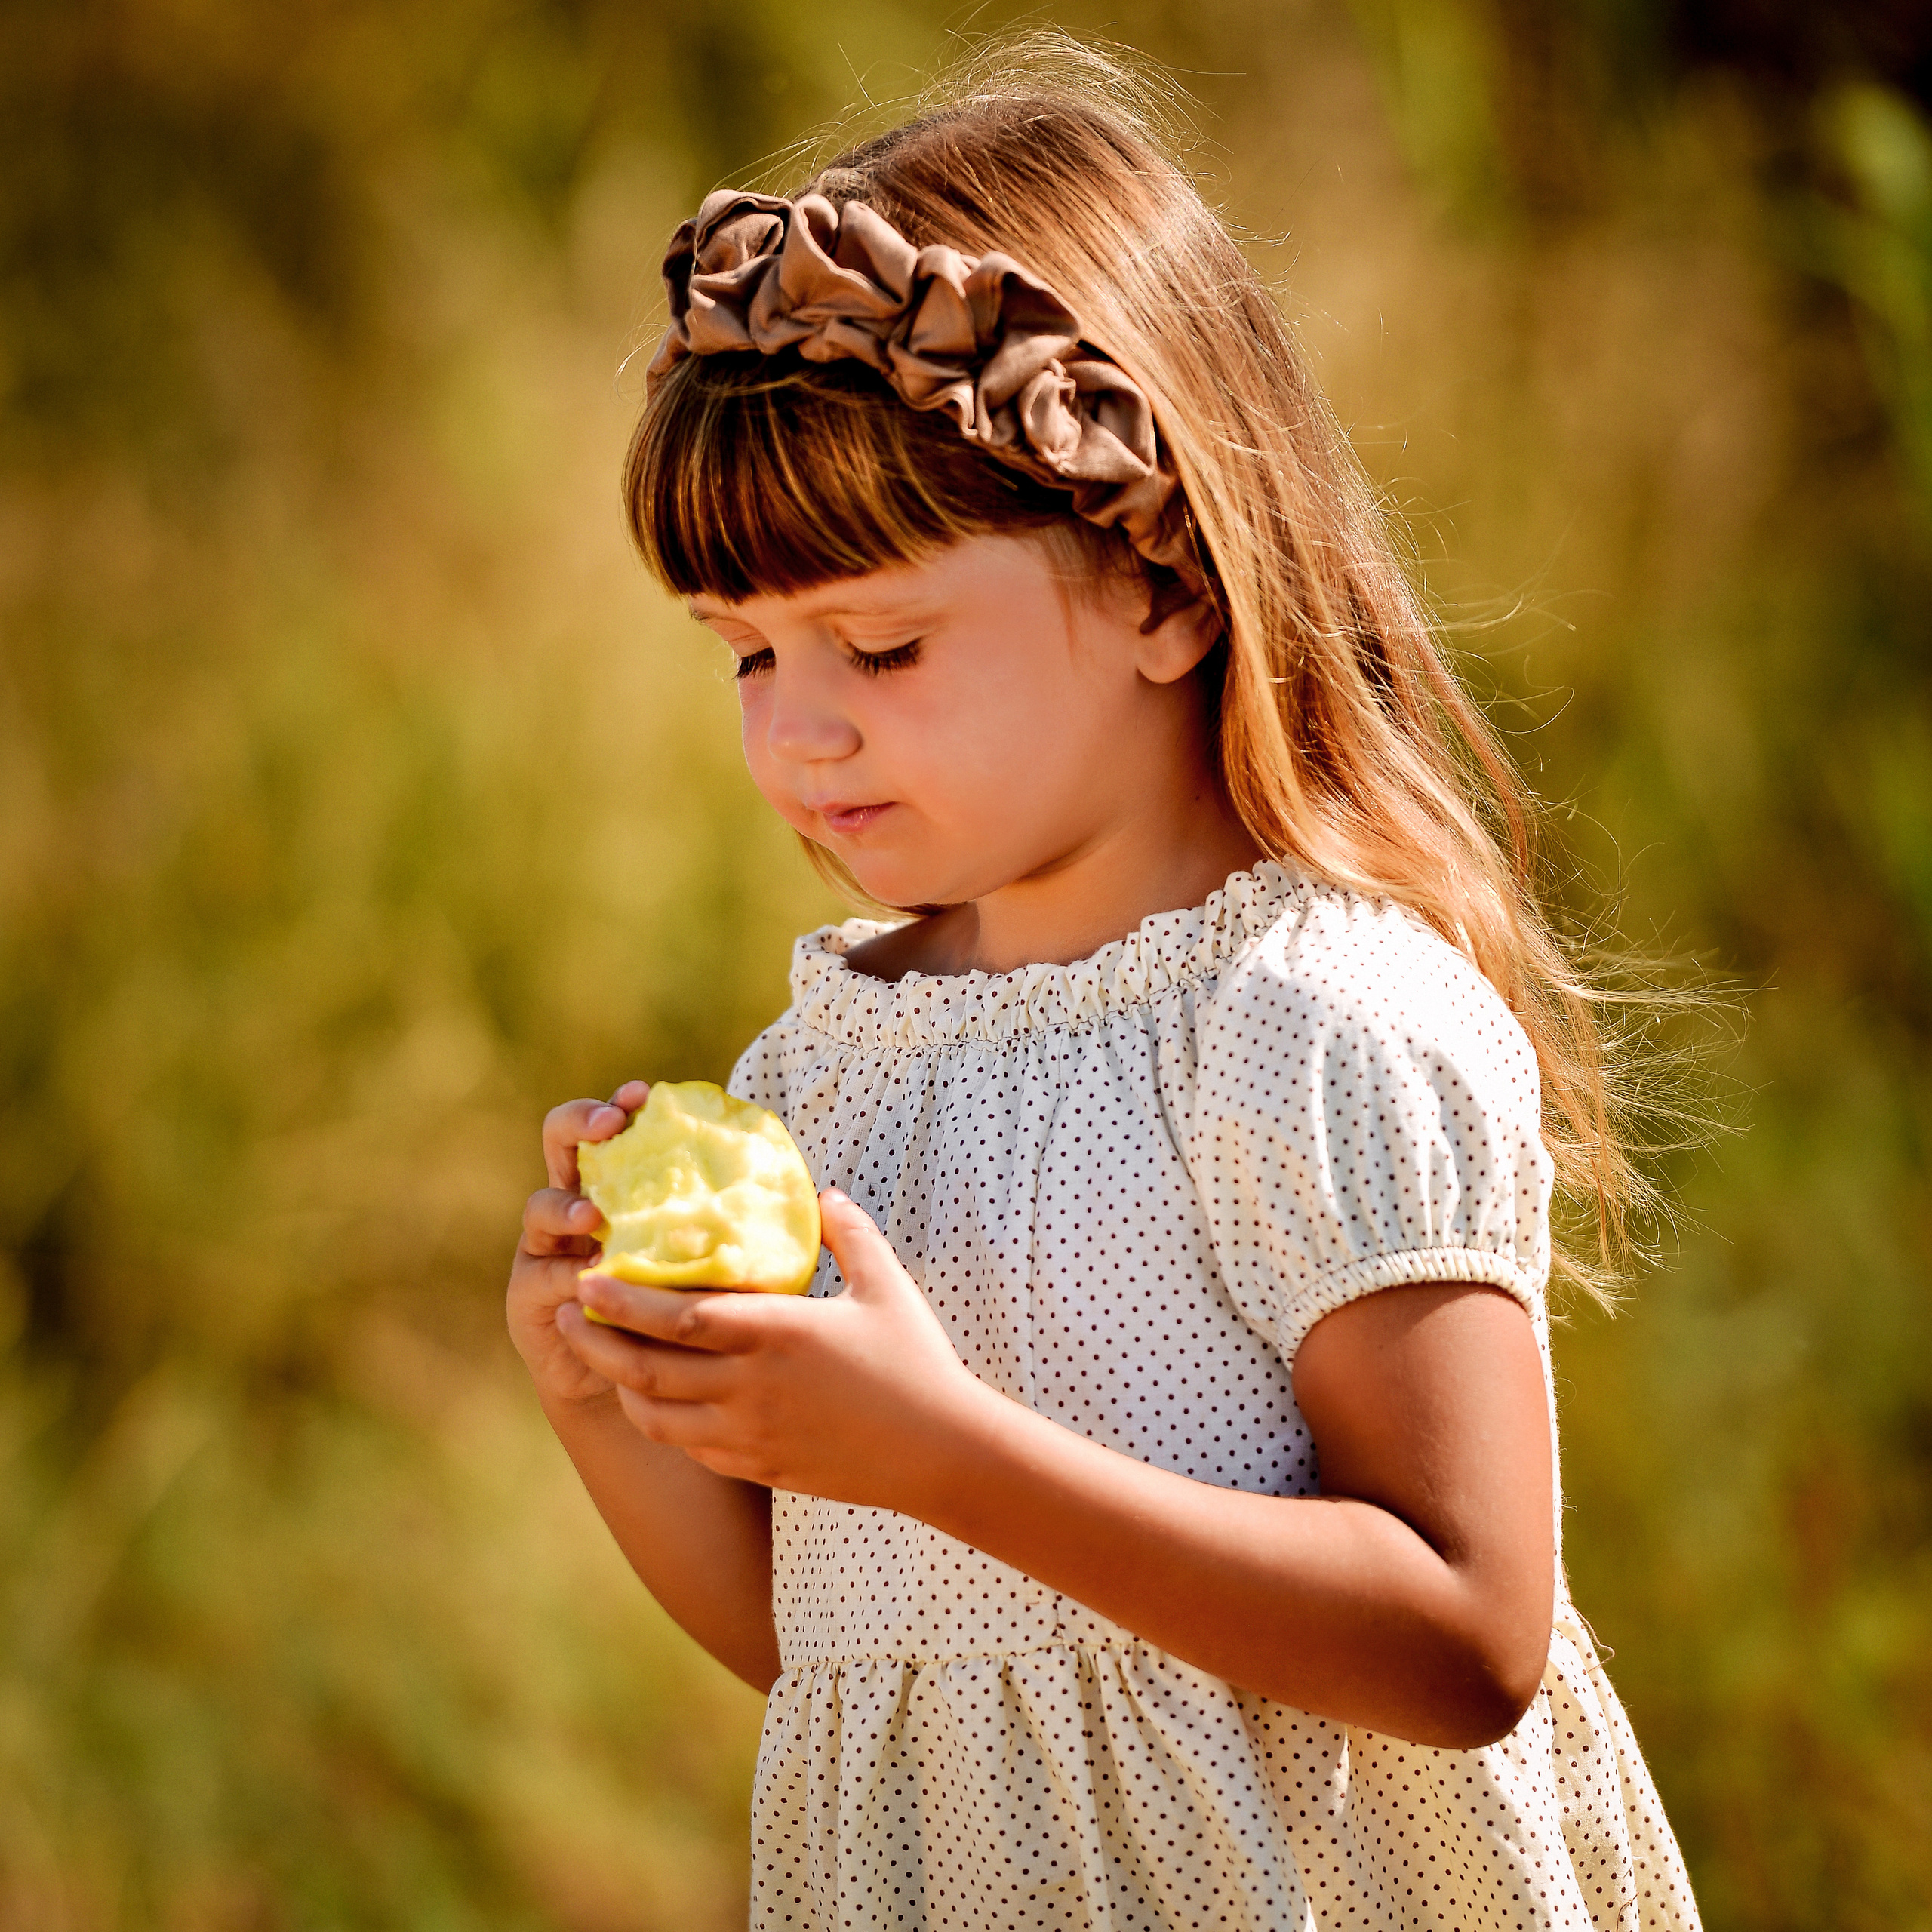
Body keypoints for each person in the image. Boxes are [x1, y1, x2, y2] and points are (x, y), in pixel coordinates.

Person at [508, 41, 1702, 1932]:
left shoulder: (1308, 1026)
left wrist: (941, 1450)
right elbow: (858, 1662)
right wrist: (604, 1400)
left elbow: (1466, 1631)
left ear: (1161, 588)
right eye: (743, 655)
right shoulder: (828, 1068)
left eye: (880, 643)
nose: (796, 735)